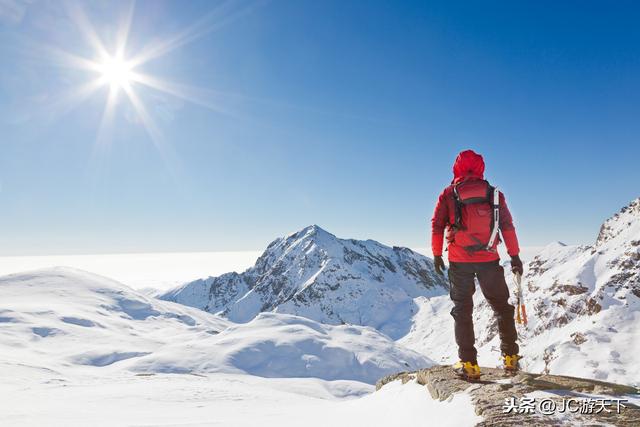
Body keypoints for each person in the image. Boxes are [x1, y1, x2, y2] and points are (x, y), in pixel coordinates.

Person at [431, 149, 523, 380]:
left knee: (463, 310)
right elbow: (507, 226)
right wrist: (514, 256)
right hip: (489, 259)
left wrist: (436, 254)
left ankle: (469, 364)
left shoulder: (448, 194)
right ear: (481, 168)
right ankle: (510, 359)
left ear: (456, 168)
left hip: (459, 261)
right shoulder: (494, 194)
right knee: (502, 307)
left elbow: (437, 225)